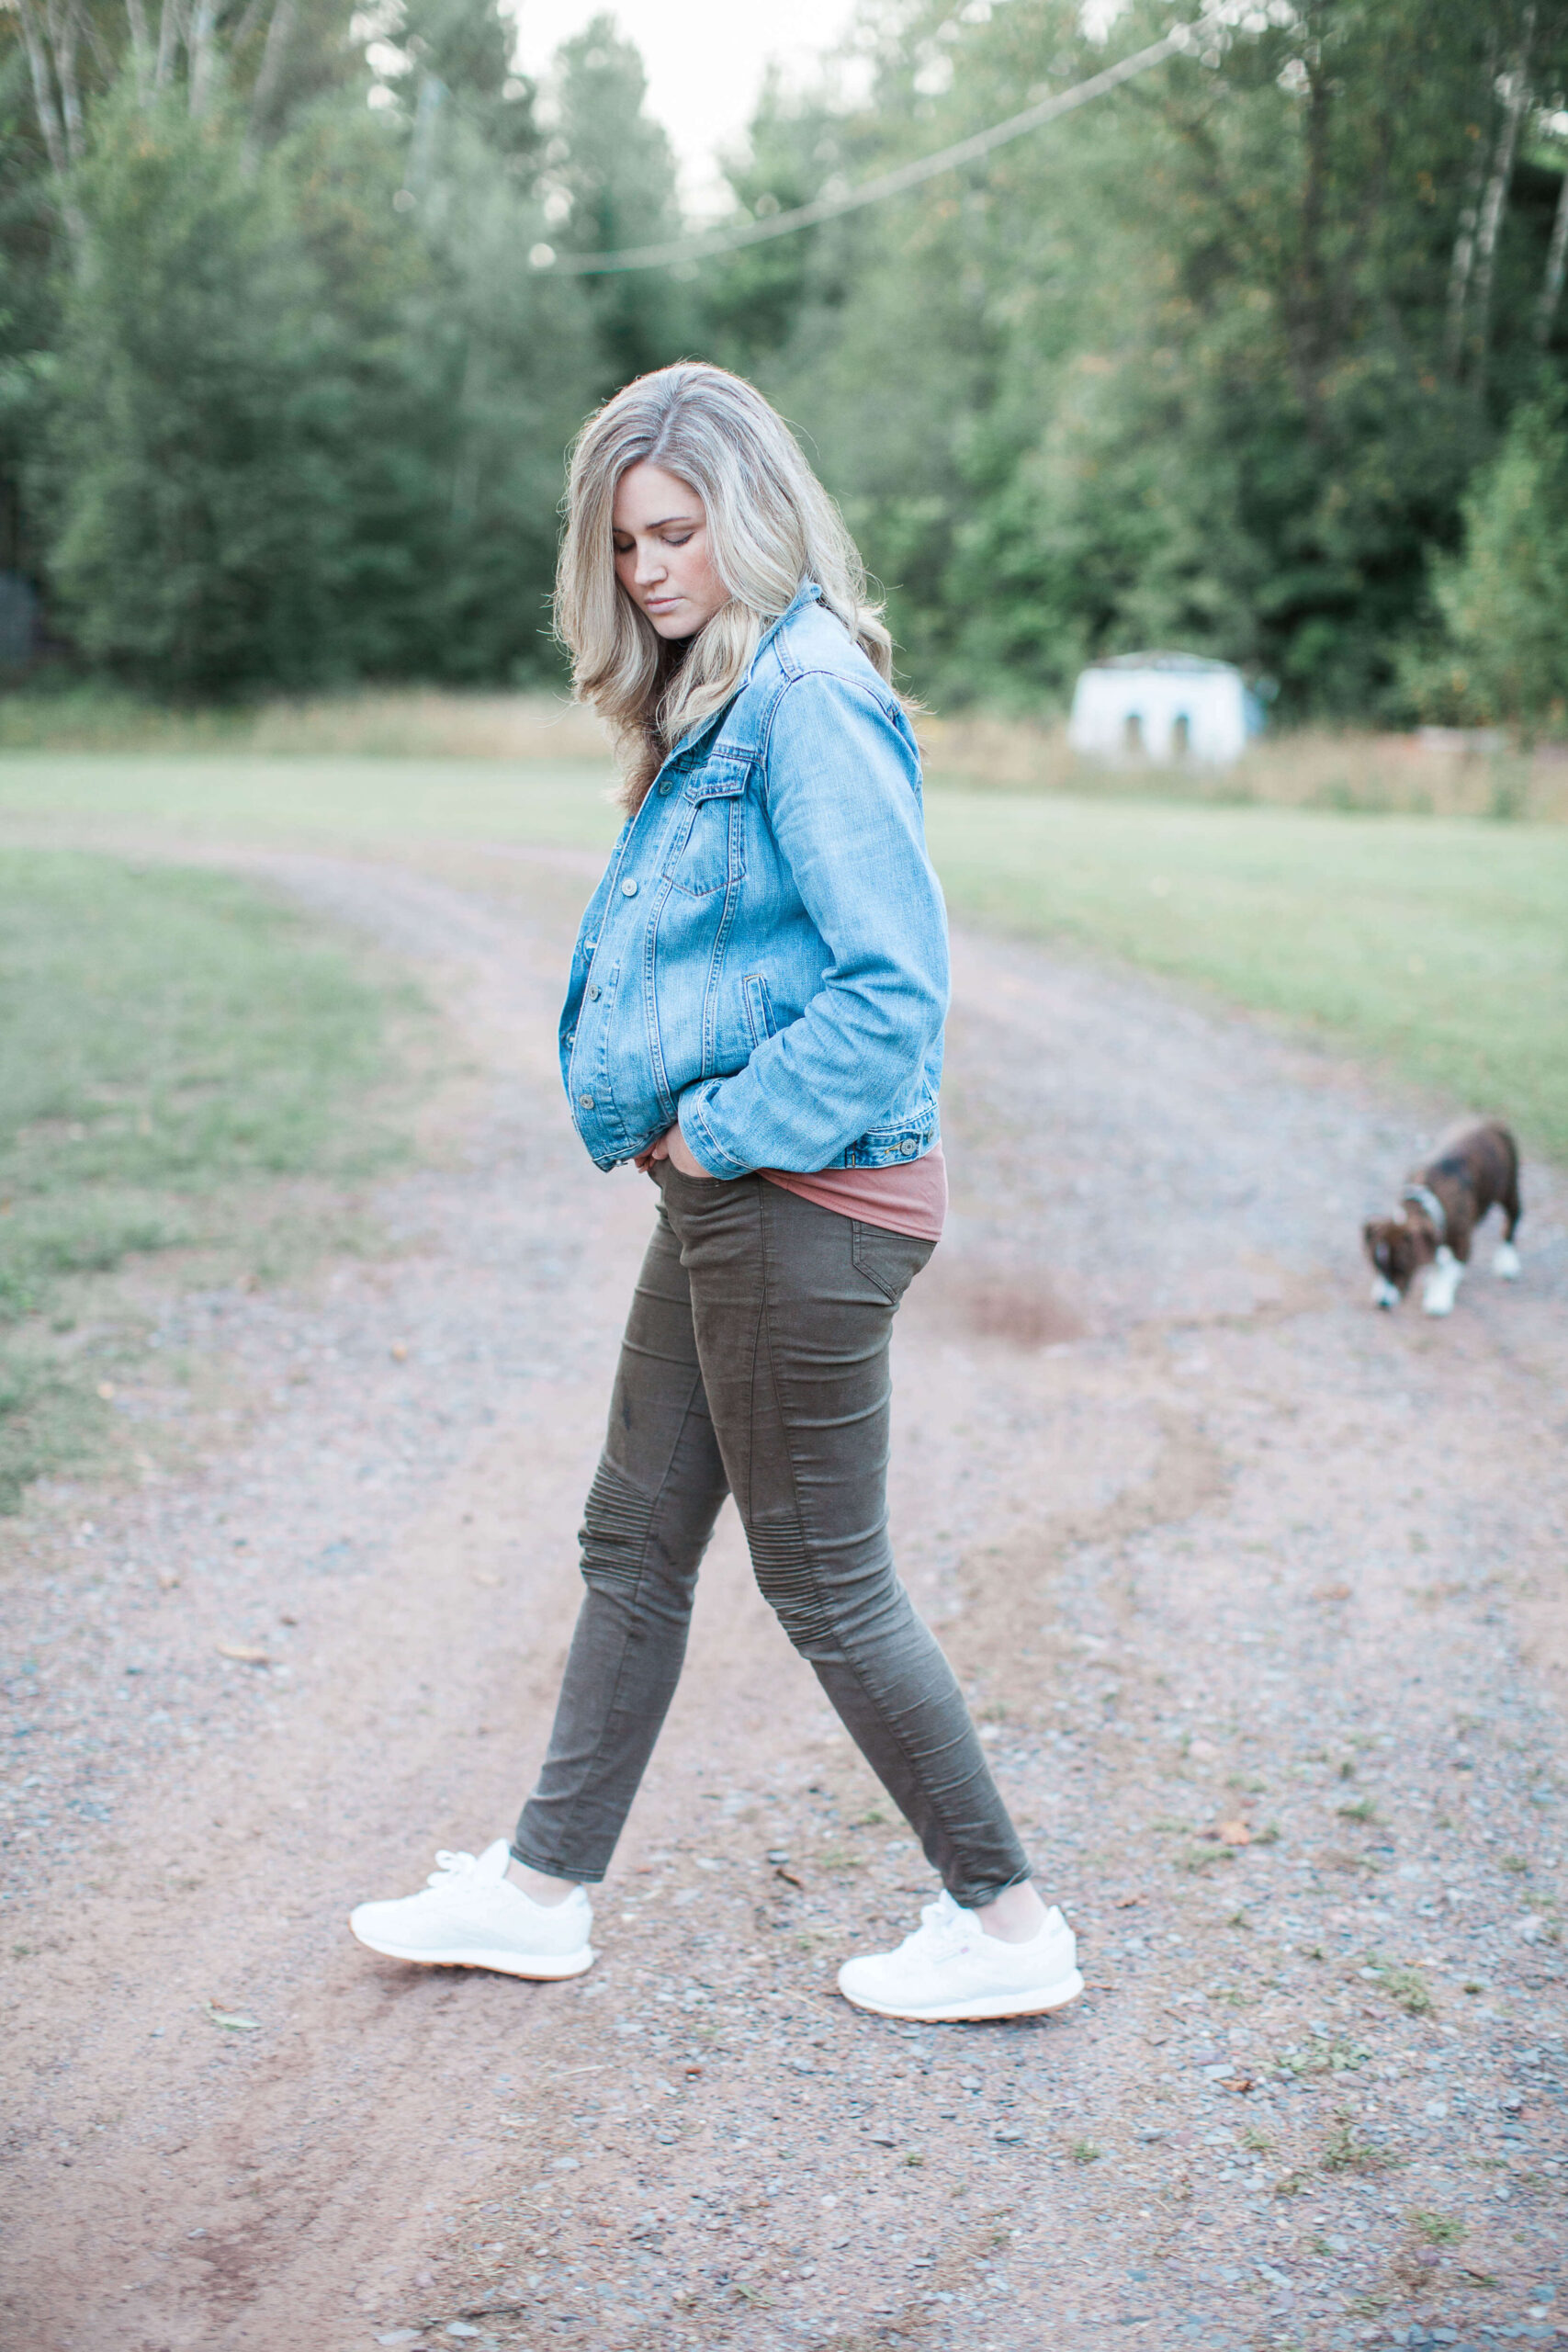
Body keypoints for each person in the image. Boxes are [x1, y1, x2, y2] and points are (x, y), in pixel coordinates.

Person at [349, 364, 1080, 2024]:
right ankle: (543, 1890)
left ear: (754, 519)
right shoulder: (728, 693)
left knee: (824, 1577)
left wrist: (721, 1129)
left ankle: (1006, 1923)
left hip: (801, 1199)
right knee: (634, 1536)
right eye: (626, 544)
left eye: (678, 533)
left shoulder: (808, 697)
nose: (650, 570)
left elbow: (896, 987)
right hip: (740, 1200)